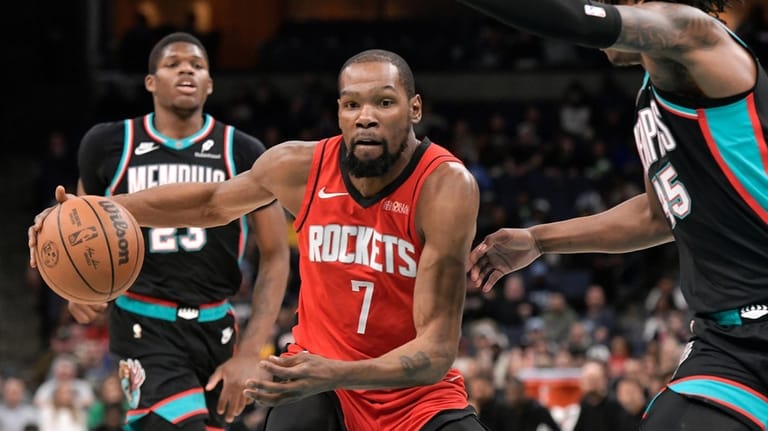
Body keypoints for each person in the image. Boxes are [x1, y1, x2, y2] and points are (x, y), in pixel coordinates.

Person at [30, 48, 485, 430]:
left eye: (384, 102)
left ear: (414, 109)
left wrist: (336, 372)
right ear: (339, 112)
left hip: (415, 397)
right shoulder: (298, 167)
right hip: (317, 387)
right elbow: (210, 203)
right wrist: (88, 212)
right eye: (352, 105)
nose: (366, 117)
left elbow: (435, 352)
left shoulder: (445, 188)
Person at [461, 0, 768, 430]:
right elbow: (655, 215)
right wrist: (538, 239)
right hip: (725, 338)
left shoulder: (694, 34)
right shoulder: (654, 93)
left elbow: (575, 19)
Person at [59, 32, 291, 431]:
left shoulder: (243, 150)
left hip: (217, 325)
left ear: (210, 83)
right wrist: (76, 288)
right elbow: (79, 229)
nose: (187, 70)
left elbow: (275, 254)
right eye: (173, 64)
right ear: (150, 82)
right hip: (142, 323)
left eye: (197, 65)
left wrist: (250, 352)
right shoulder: (109, 144)